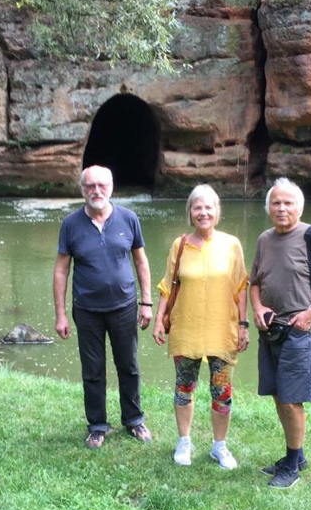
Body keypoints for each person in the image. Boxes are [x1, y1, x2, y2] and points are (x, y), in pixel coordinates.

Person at [250, 178, 311, 489]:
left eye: (288, 203)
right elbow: (254, 283)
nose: (282, 208)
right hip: (270, 330)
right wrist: (257, 308)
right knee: (278, 395)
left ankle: (291, 467)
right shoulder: (264, 239)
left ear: (299, 207)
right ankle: (296, 456)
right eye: (276, 203)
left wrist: (310, 312)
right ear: (268, 208)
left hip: (300, 331)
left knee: (292, 400)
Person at [53, 165, 154, 448]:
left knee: (129, 366)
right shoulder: (70, 224)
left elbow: (141, 262)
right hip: (87, 310)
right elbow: (61, 270)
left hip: (124, 306)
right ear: (82, 189)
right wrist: (60, 314)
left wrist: (147, 302)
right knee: (93, 370)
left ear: (111, 187)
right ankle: (97, 425)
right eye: (90, 186)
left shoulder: (129, 218)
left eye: (102, 185)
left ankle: (133, 419)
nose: (96, 191)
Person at [153, 184, 249, 469]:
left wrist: (243, 325)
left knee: (222, 391)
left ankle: (219, 446)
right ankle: (184, 441)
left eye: (209, 207)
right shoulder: (179, 245)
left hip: (222, 329)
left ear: (217, 212)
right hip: (186, 327)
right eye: (197, 207)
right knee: (184, 387)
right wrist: (159, 319)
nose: (203, 212)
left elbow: (242, 287)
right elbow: (168, 284)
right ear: (190, 212)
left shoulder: (231, 244)